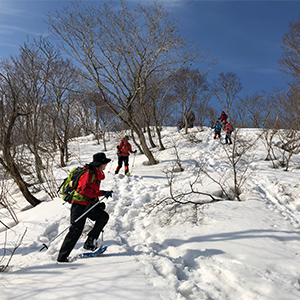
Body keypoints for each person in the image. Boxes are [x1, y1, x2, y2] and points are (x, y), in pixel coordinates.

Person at [57, 152, 113, 262]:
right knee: (75, 230)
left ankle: (90, 241)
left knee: (103, 217)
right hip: (79, 205)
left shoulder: (97, 173)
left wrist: (97, 202)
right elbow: (83, 190)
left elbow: (91, 190)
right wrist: (101, 193)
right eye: (104, 163)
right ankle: (62, 258)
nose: (106, 165)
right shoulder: (89, 173)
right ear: (99, 164)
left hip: (89, 204)